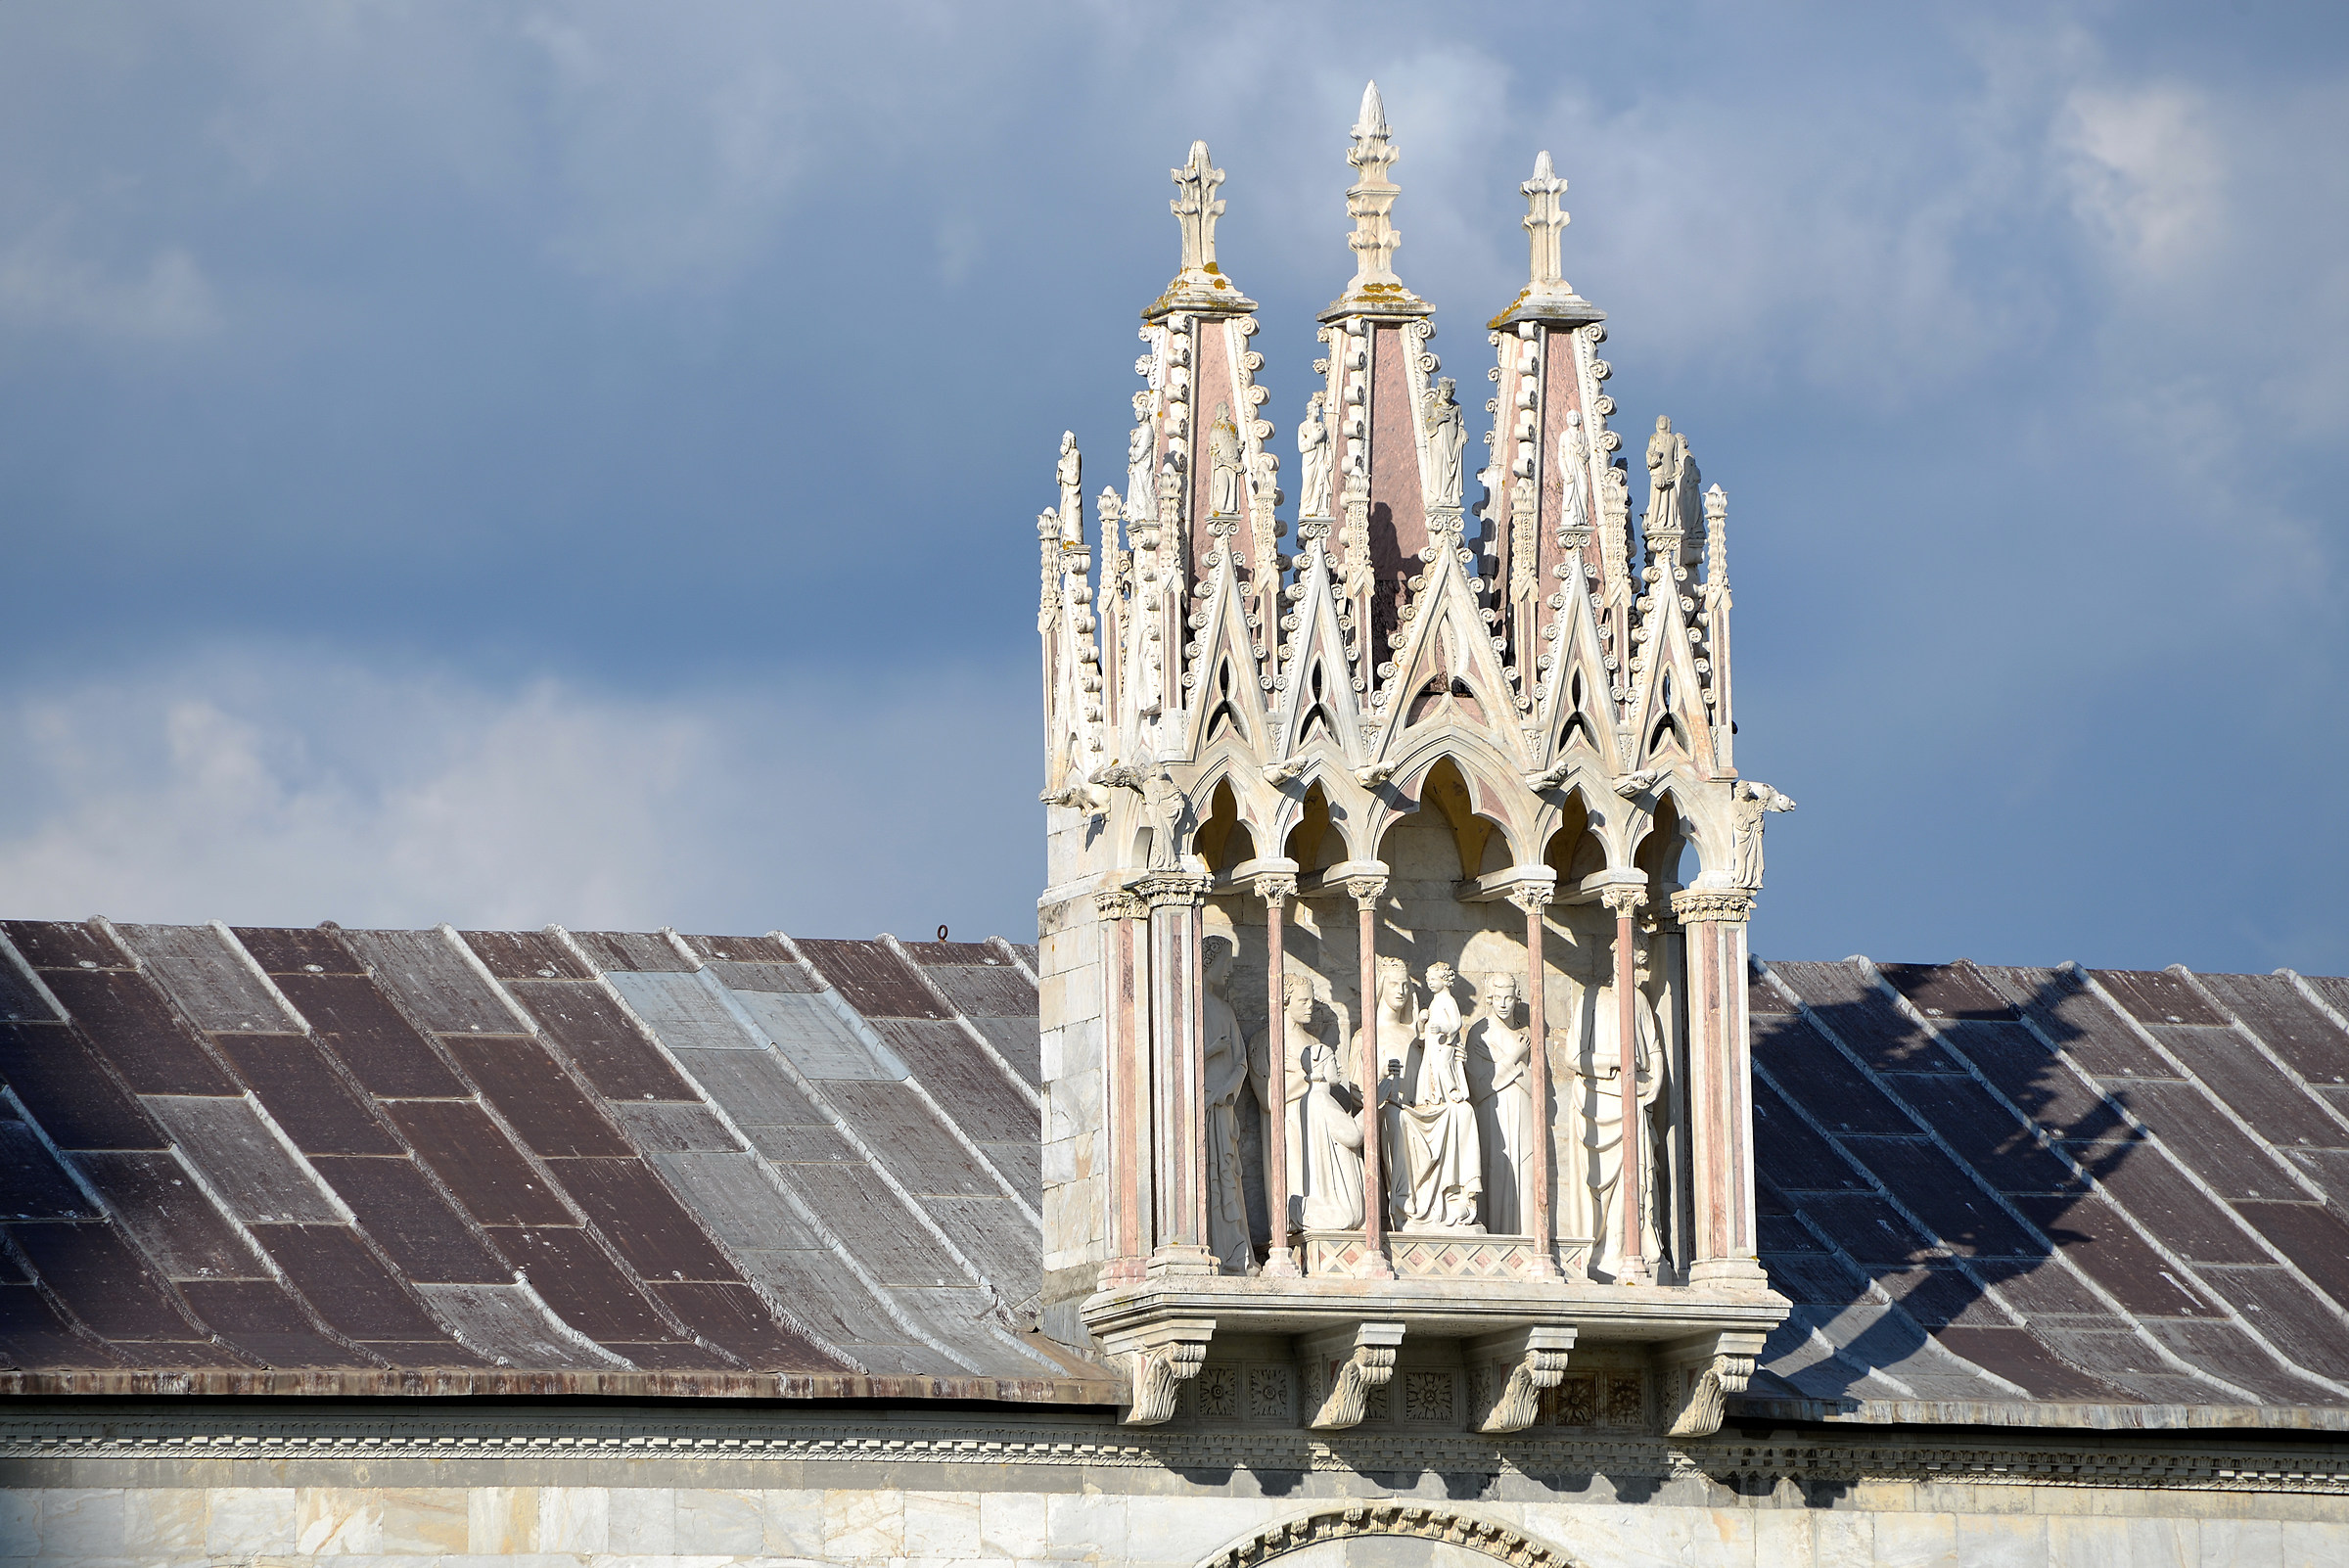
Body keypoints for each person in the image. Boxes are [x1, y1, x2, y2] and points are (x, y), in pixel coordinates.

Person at [1473, 971, 1532, 1233]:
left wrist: (1507, 1065)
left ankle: (1526, 1238)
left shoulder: (1526, 1033)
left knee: (1525, 1173)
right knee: (1496, 1167)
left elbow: (1536, 1084)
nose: (1504, 1004)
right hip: (1493, 1110)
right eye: (1498, 998)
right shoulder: (1480, 1033)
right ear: (1490, 998)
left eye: (1509, 998)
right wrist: (1515, 1057)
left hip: (1522, 1108)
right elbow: (1479, 1085)